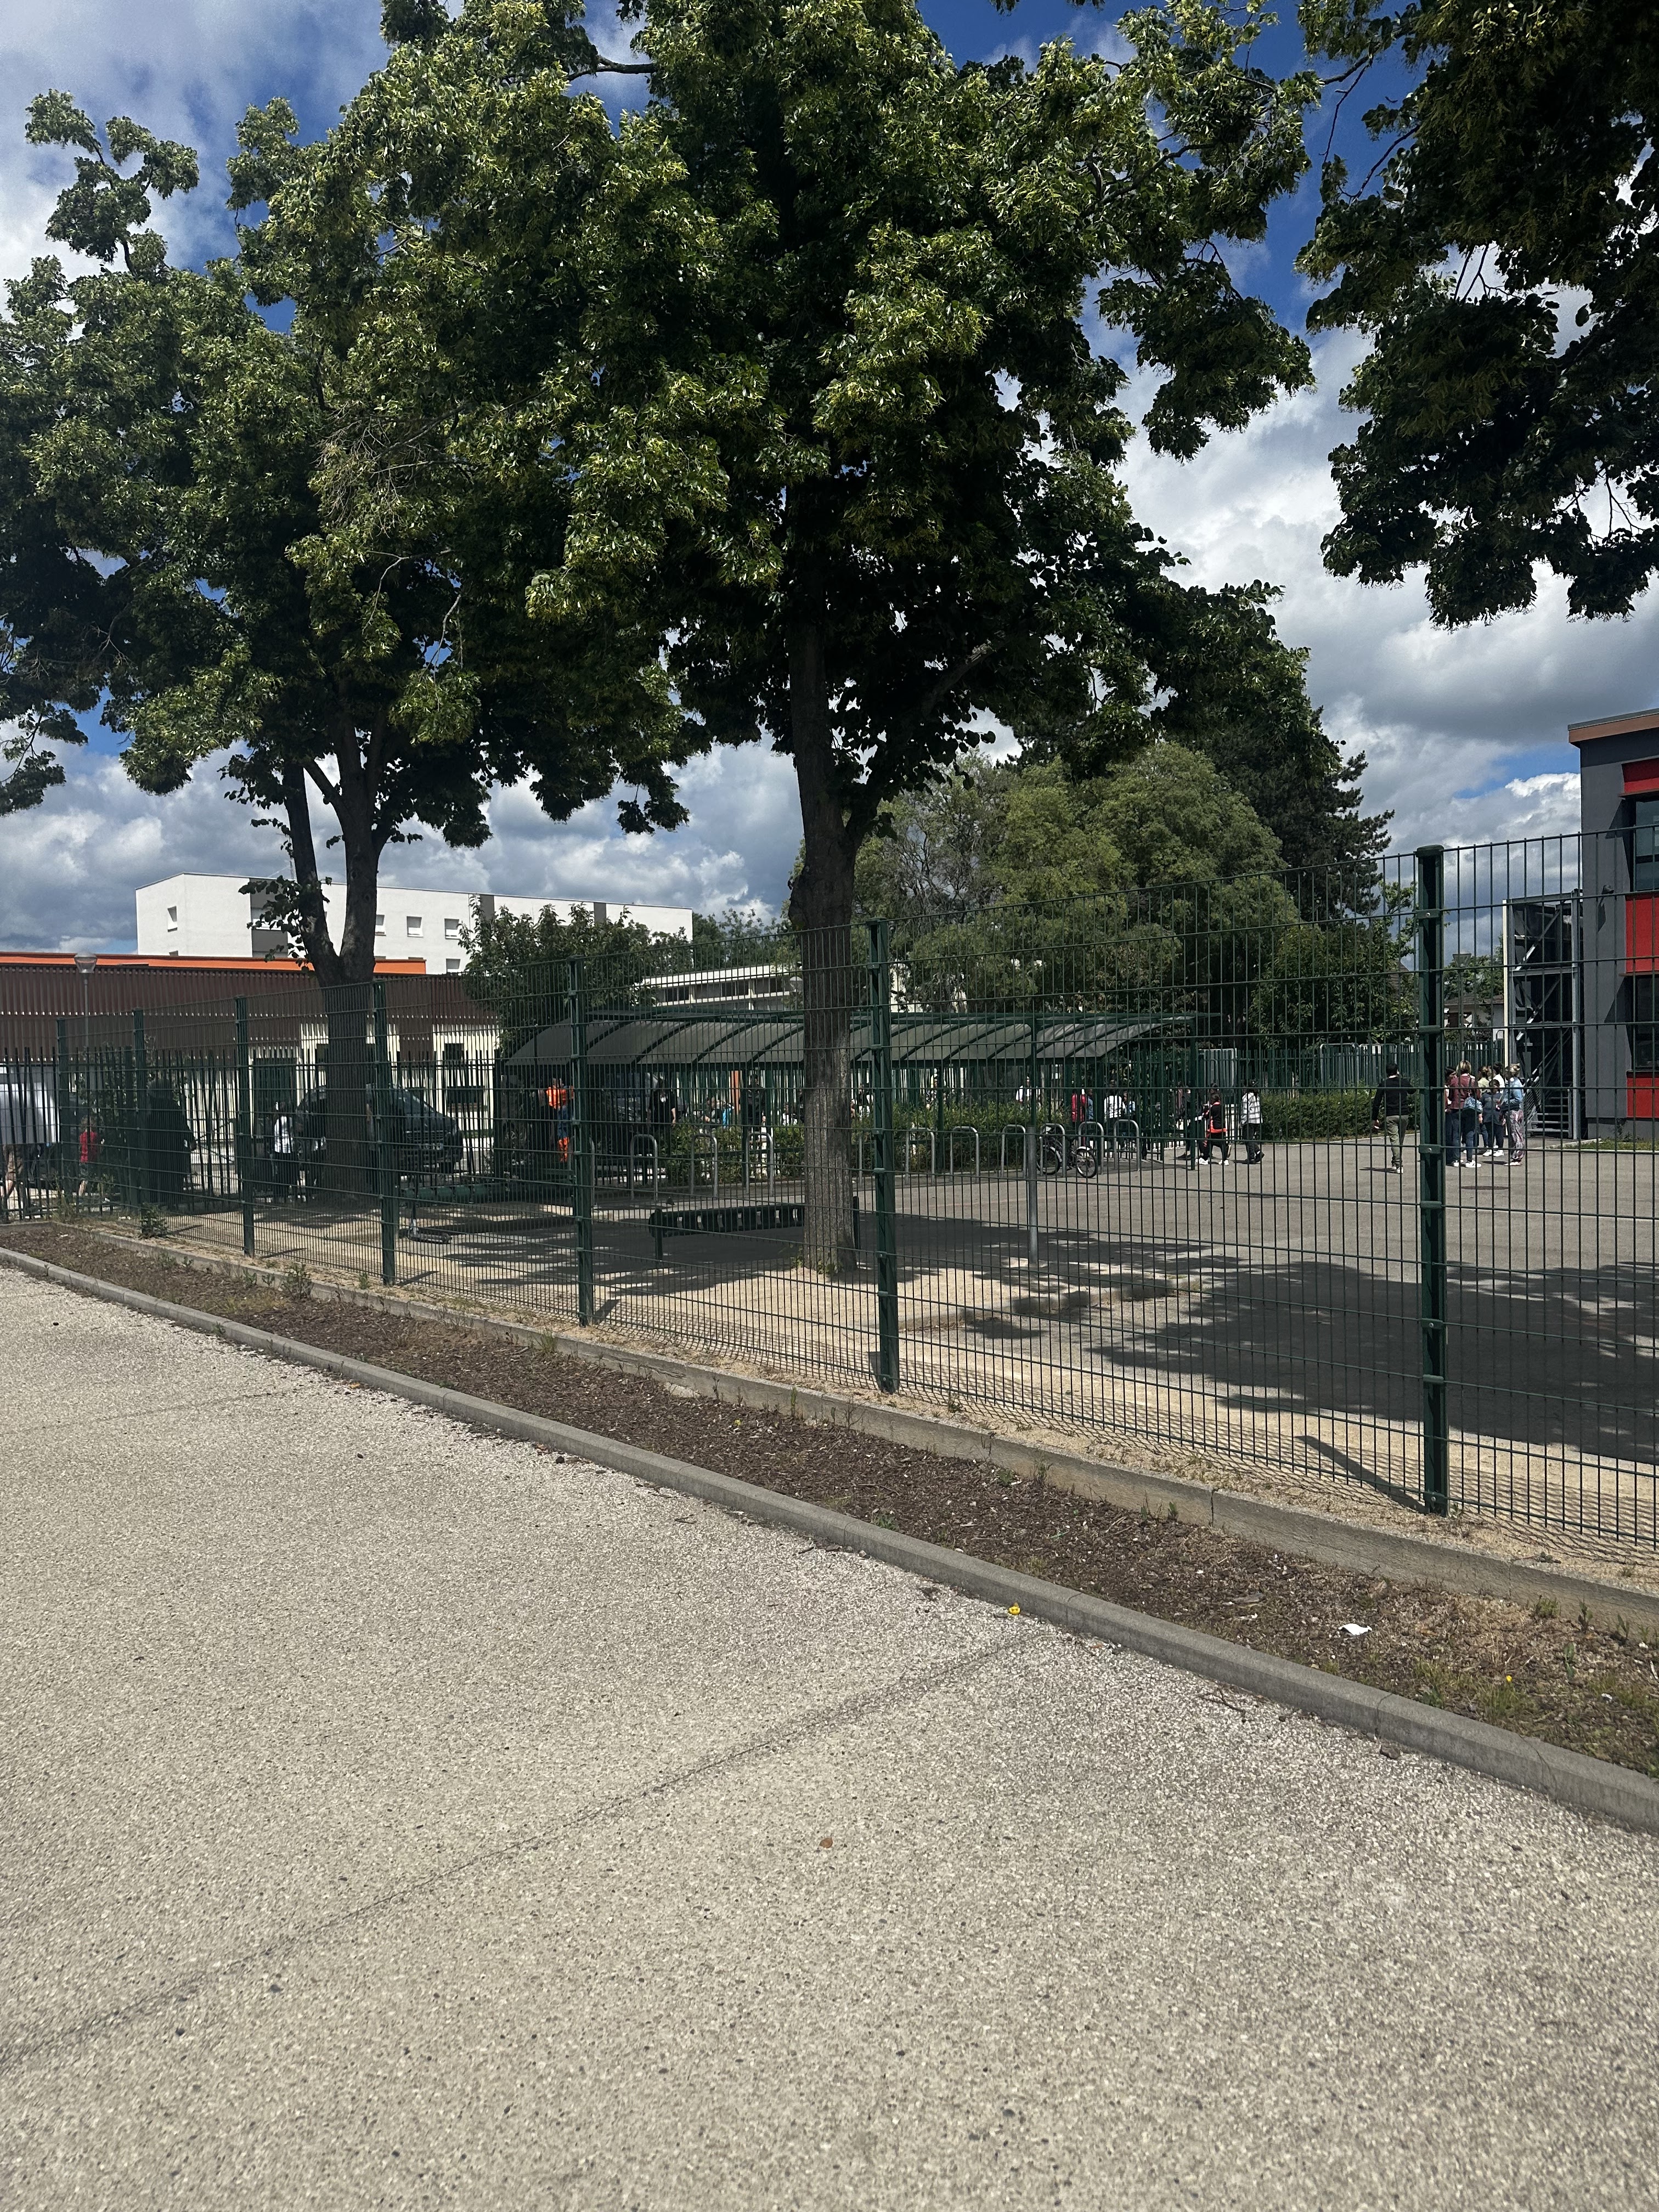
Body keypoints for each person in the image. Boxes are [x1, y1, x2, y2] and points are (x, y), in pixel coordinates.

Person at [1370, 1063, 1412, 1174]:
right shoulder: (1402, 1082)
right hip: (1404, 1114)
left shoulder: (1384, 1084)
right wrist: (1401, 1080)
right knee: (1400, 1140)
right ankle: (1395, 1161)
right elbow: (1413, 1090)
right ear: (1397, 1071)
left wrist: (1374, 1118)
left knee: (1395, 1140)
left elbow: (1377, 1103)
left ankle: (1398, 1164)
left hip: (1391, 1115)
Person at [1448, 1060, 1477, 1168]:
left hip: (1456, 1108)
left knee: (1456, 1135)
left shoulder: (1454, 1081)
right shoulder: (1472, 1081)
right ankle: (1469, 1160)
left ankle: (1456, 1159)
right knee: (1469, 1134)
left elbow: (1451, 1096)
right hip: (1469, 1109)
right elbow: (1478, 1096)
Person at [270, 1105, 295, 1201]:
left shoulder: (277, 1121)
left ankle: (279, 1194)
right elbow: (299, 1128)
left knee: (280, 1172)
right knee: (289, 1172)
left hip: (278, 1149)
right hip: (287, 1149)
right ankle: (287, 1193)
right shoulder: (288, 1120)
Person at [1505, 1065, 1527, 1163]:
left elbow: (1518, 1099)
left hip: (1514, 1112)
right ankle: (1515, 1156)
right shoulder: (1511, 1083)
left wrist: (1506, 1102)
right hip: (1510, 1111)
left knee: (1516, 1134)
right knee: (1513, 1135)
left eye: (1506, 1073)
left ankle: (1517, 1157)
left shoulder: (1515, 1084)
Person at [1201, 1089, 1229, 1166]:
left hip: (1214, 1128)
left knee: (1208, 1142)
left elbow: (1207, 1116)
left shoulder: (1213, 1108)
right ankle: (1225, 1160)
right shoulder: (1222, 1107)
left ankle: (1205, 1159)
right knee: (1222, 1143)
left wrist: (1206, 1110)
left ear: (1213, 1100)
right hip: (1222, 1128)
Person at [1239, 1085, 1263, 1165]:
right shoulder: (1256, 1096)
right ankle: (1258, 1152)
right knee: (1250, 1138)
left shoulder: (1246, 1097)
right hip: (1257, 1120)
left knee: (1248, 1140)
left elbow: (1245, 1111)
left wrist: (1243, 1122)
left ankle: (1251, 1158)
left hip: (1249, 1120)